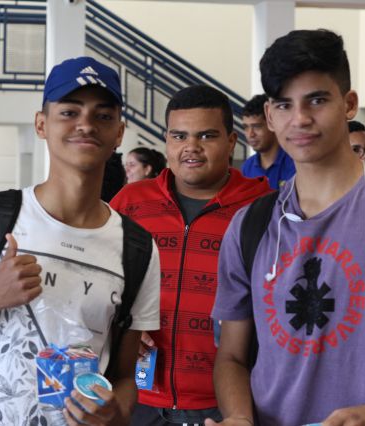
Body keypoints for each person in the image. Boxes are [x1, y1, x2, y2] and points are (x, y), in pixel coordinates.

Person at [208, 29, 365, 426]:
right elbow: (232, 357)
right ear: (270, 116)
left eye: (317, 100)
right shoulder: (250, 226)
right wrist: (239, 416)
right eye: (285, 105)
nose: (300, 119)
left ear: (349, 104)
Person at [0, 57, 160, 426]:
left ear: (119, 133)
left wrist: (115, 412)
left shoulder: (137, 248)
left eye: (103, 116)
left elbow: (125, 378)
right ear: (41, 124)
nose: (86, 124)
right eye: (69, 112)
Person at [111, 85, 271, 426]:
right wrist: (120, 328)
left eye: (207, 136)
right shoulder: (130, 203)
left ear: (231, 141)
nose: (191, 148)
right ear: (166, 141)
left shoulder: (262, 208)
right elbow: (100, 285)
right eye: (179, 136)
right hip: (137, 400)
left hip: (230, 406)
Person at [240, 94, 295, 189]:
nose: (250, 134)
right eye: (246, 127)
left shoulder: (295, 163)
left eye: (257, 126)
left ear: (272, 124)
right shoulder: (247, 167)